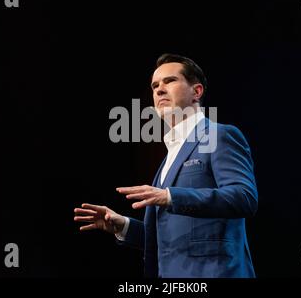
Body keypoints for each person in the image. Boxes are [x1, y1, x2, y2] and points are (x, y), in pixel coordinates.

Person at [74, 53, 258, 278]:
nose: (159, 89)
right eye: (155, 86)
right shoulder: (169, 158)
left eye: (170, 81)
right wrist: (123, 226)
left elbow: (244, 197)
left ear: (196, 91)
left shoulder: (219, 135)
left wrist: (171, 197)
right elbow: (170, 241)